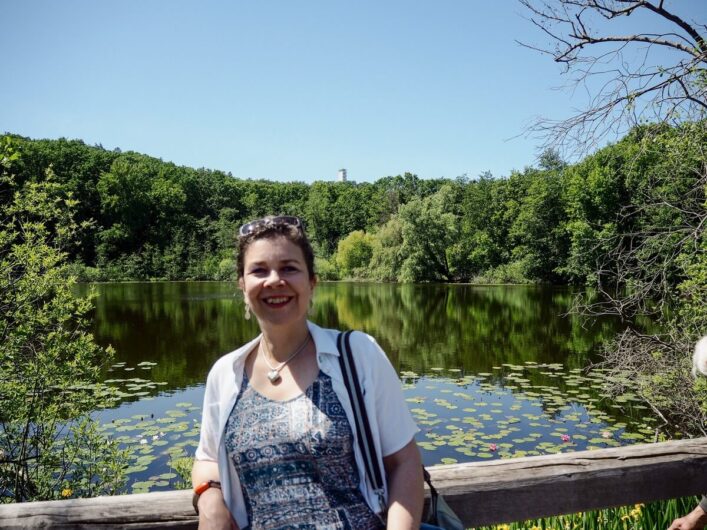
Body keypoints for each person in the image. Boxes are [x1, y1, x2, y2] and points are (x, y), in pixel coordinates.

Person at [192, 216, 424, 530]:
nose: (274, 280)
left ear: (311, 282)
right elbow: (207, 458)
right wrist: (209, 501)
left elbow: (404, 463)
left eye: (289, 268)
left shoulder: (357, 354)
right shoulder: (225, 373)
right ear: (242, 285)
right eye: (259, 270)